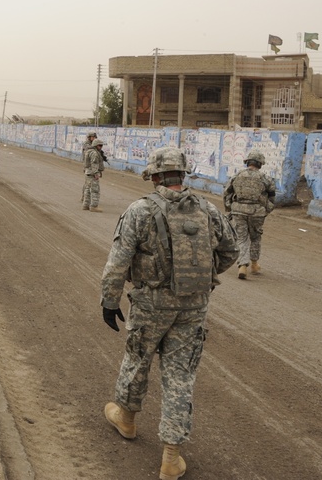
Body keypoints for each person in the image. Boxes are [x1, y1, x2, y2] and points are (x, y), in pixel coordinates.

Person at [100, 146, 238, 480]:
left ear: (155, 175)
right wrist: (203, 276)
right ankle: (171, 458)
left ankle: (127, 420)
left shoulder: (140, 210)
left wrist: (109, 300)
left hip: (150, 303)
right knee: (180, 376)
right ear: (183, 174)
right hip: (193, 306)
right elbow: (231, 250)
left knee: (138, 360)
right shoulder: (207, 209)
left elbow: (118, 261)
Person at [223, 150, 276, 279]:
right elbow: (272, 197)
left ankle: (242, 265)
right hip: (257, 212)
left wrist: (229, 208)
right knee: (256, 238)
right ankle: (254, 264)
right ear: (260, 164)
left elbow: (227, 193)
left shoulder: (237, 175)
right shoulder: (265, 178)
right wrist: (266, 210)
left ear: (247, 162)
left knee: (241, 238)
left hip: (238, 211)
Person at [83, 138, 105, 211]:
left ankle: (86, 205)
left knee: (87, 190)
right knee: (95, 190)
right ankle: (94, 206)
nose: (101, 147)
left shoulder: (89, 151)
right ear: (95, 145)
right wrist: (96, 173)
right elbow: (94, 163)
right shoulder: (94, 153)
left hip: (88, 173)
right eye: (100, 145)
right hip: (92, 173)